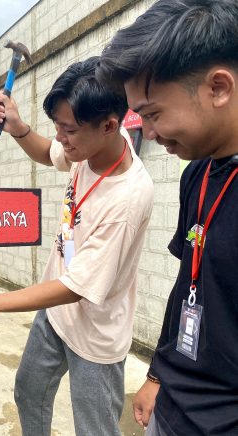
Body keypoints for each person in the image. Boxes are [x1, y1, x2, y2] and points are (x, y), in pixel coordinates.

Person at [0, 56, 154, 436]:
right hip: (54, 315)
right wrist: (18, 128)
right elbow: (49, 154)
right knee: (28, 392)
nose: (61, 138)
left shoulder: (128, 198)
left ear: (110, 126)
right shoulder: (93, 146)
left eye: (68, 130)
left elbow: (76, 288)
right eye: (57, 126)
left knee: (95, 429)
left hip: (96, 334)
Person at [96, 0, 238, 434]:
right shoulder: (196, 173)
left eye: (153, 114)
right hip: (174, 408)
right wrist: (157, 373)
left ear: (218, 88)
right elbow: (187, 284)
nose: (150, 134)